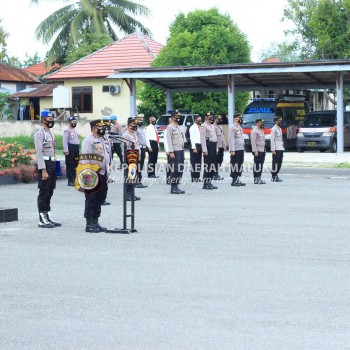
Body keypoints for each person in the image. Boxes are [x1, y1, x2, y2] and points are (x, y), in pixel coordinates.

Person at [82, 119, 111, 233]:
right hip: (92, 174)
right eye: (101, 127)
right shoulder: (88, 141)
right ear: (94, 129)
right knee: (91, 199)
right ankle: (89, 224)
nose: (103, 129)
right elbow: (85, 159)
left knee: (100, 198)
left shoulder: (103, 140)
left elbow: (106, 157)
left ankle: (96, 222)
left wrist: (107, 173)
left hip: (102, 173)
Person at [34, 110, 62, 228]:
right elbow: (39, 153)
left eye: (52, 119)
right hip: (44, 164)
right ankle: (42, 218)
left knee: (50, 191)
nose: (51, 121)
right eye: (49, 119)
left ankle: (48, 215)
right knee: (44, 191)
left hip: (52, 163)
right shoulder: (40, 133)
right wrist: (43, 169)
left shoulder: (50, 133)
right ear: (43, 119)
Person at [166, 110, 185, 194]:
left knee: (180, 168)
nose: (178, 119)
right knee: (175, 169)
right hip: (175, 151)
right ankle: (173, 187)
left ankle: (176, 186)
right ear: (173, 118)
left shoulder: (178, 126)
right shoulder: (170, 127)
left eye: (179, 117)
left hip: (180, 150)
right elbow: (169, 140)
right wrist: (171, 151)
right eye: (177, 117)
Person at [122, 117, 141, 201]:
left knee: (133, 176)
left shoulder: (133, 133)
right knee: (129, 176)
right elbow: (124, 149)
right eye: (132, 125)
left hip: (135, 157)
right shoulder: (126, 135)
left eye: (135, 125)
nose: (134, 127)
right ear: (128, 125)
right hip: (129, 158)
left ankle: (132, 193)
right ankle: (127, 195)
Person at [201, 111, 218, 190]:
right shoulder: (203, 126)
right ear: (206, 117)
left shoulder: (211, 126)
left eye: (211, 116)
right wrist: (204, 150)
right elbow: (203, 139)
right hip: (208, 146)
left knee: (212, 165)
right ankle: (206, 183)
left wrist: (216, 148)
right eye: (209, 116)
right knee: (208, 165)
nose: (210, 117)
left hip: (213, 146)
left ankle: (210, 182)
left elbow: (215, 138)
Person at [229, 113, 246, 186]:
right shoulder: (233, 127)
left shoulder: (239, 127)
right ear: (236, 119)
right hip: (235, 149)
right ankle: (234, 180)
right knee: (235, 164)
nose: (241, 119)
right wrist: (232, 150)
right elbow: (231, 139)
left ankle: (238, 178)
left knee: (240, 164)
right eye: (240, 118)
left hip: (241, 148)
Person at [63, 116, 80, 186]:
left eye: (74, 121)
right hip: (70, 148)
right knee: (70, 164)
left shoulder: (75, 130)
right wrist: (66, 150)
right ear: (69, 122)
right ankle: (70, 180)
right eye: (72, 121)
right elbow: (65, 141)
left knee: (76, 164)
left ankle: (75, 179)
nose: (74, 123)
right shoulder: (67, 130)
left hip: (76, 148)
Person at [189, 115, 204, 182]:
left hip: (200, 145)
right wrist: (194, 148)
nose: (200, 121)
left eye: (200, 119)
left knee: (199, 162)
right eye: (199, 119)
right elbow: (192, 138)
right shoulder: (192, 127)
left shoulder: (200, 127)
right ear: (195, 120)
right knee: (194, 162)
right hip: (195, 146)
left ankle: (197, 177)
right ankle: (193, 177)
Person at [135, 113, 149, 188]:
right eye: (140, 120)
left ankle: (139, 181)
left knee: (141, 166)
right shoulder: (135, 129)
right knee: (138, 166)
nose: (141, 121)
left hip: (143, 148)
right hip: (139, 148)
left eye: (142, 120)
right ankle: (137, 181)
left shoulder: (141, 128)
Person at [251, 118, 266, 184]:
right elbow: (253, 141)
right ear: (257, 123)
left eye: (262, 122)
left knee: (261, 164)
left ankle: (259, 177)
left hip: (262, 150)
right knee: (257, 165)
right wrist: (255, 151)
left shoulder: (261, 130)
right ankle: (256, 178)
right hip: (258, 150)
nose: (262, 124)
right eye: (260, 122)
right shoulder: (254, 131)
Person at [271, 116, 284, 182]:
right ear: (276, 121)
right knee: (275, 162)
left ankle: (276, 174)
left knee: (279, 162)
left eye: (281, 120)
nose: (280, 121)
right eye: (279, 120)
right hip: (276, 148)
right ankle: (274, 175)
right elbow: (272, 139)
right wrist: (273, 149)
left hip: (280, 147)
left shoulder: (279, 128)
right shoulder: (274, 129)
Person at [213, 115, 226, 180]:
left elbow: (222, 137)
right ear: (215, 119)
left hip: (221, 146)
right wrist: (216, 147)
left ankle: (216, 173)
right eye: (218, 119)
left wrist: (224, 145)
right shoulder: (213, 127)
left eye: (220, 119)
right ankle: (214, 174)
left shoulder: (220, 127)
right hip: (217, 146)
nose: (220, 120)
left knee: (220, 160)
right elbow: (214, 138)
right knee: (216, 160)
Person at [163, 117, 172, 185]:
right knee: (170, 165)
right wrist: (167, 150)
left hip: (176, 149)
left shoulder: (176, 128)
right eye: (170, 121)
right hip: (170, 150)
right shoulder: (167, 130)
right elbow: (165, 141)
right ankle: (168, 179)